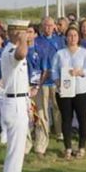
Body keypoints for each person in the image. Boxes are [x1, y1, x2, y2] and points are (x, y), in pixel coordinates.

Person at [1, 20, 33, 172]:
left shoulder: (12, 49)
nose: (28, 35)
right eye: (24, 32)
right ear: (15, 33)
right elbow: (21, 54)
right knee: (15, 156)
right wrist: (22, 41)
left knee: (16, 155)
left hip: (19, 101)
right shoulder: (12, 50)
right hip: (14, 105)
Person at [52, 26, 86, 159]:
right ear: (66, 37)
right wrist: (57, 81)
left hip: (82, 91)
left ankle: (81, 147)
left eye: (75, 35)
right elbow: (54, 70)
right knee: (66, 119)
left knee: (82, 118)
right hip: (64, 91)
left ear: (78, 37)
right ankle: (68, 148)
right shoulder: (60, 53)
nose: (72, 38)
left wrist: (80, 72)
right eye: (70, 35)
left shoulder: (85, 53)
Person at [25, 25, 51, 156]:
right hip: (23, 87)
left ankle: (41, 145)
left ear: (35, 34)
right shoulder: (19, 50)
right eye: (25, 32)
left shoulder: (40, 50)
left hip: (37, 87)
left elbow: (44, 70)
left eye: (30, 32)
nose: (27, 35)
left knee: (40, 115)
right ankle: (26, 144)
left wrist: (36, 86)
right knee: (25, 117)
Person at [38, 17, 65, 140]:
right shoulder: (38, 41)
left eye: (50, 25)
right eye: (46, 25)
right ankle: (45, 132)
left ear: (54, 26)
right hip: (43, 80)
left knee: (57, 106)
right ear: (42, 26)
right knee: (43, 108)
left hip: (55, 79)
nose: (48, 28)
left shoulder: (59, 40)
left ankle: (59, 132)